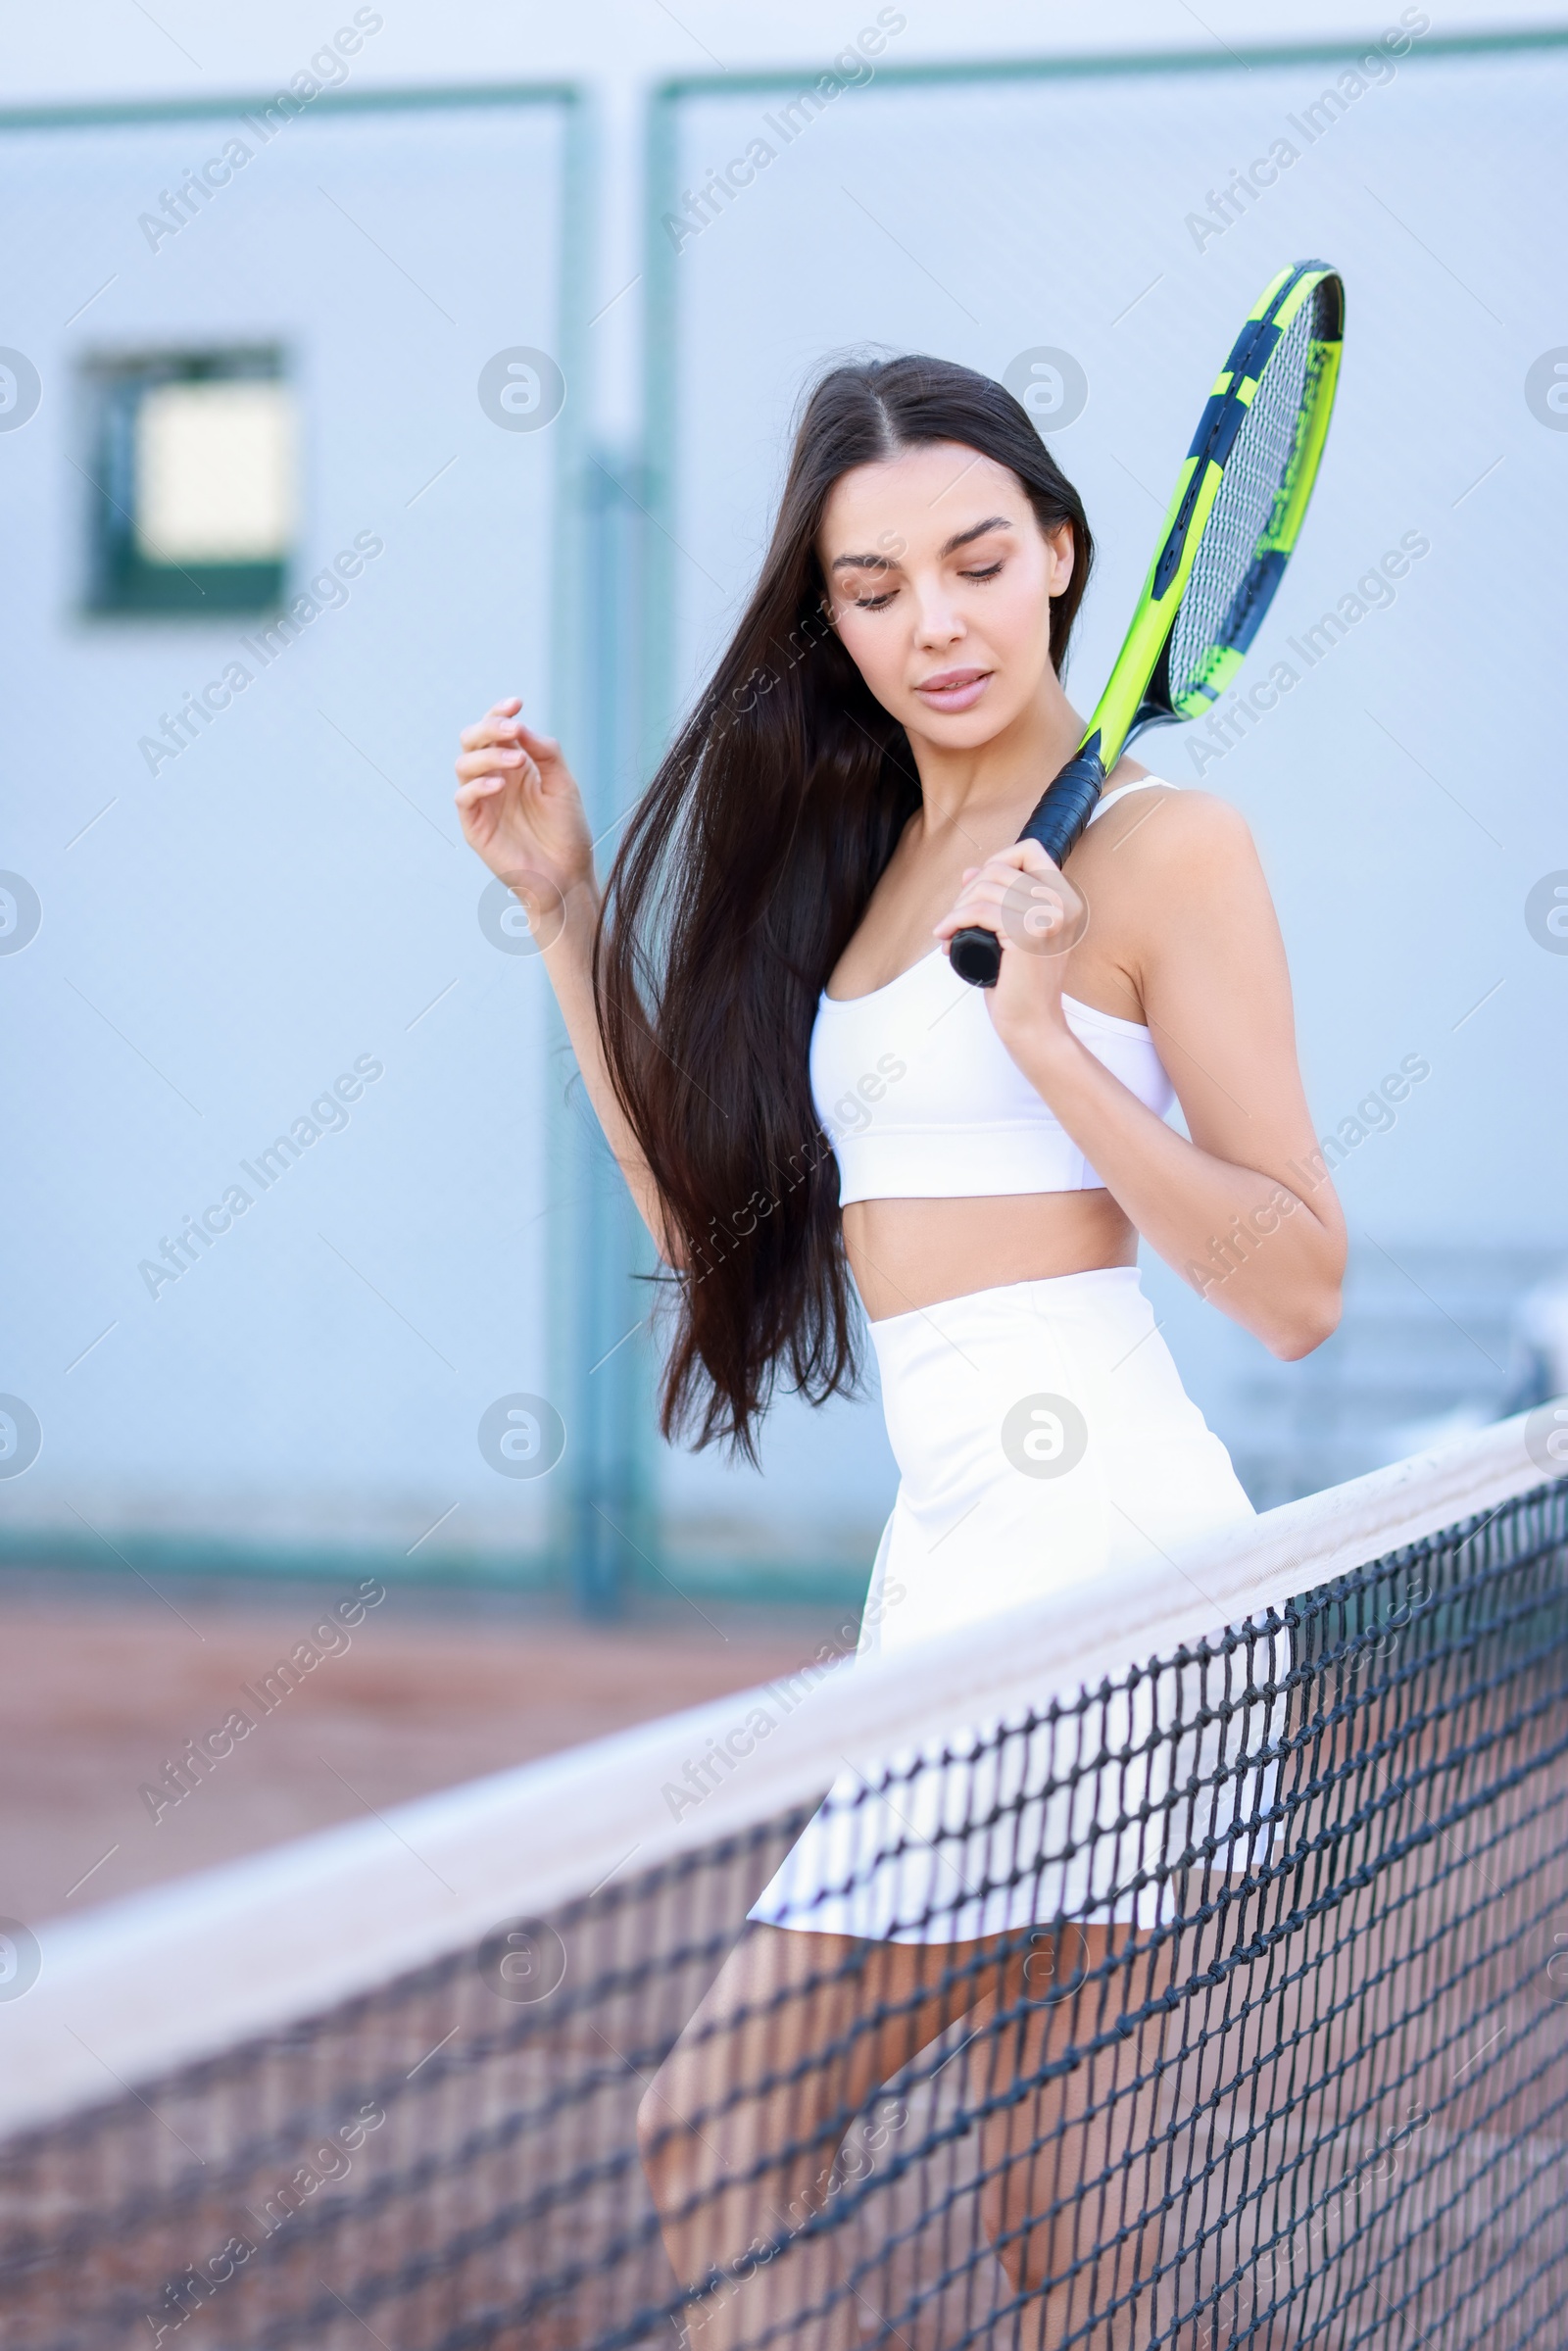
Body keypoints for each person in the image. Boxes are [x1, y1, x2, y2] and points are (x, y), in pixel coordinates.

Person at [455, 355, 1346, 2348]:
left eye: (969, 561)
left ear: (1057, 558)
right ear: (823, 616)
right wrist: (563, 913)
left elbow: (1291, 1280)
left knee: (720, 2133)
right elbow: (720, 1229)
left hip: (1099, 1568)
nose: (928, 623)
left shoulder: (1164, 849)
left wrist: (1044, 1038)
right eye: (869, 587)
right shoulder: (861, 879)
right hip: (950, 1568)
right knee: (1062, 2234)